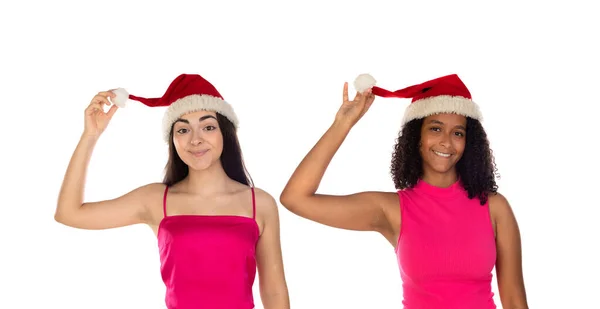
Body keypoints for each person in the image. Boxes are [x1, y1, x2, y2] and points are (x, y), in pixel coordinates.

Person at [279, 74, 528, 309]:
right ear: (415, 136)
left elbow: (515, 301)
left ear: (469, 142)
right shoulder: (392, 209)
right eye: (435, 128)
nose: (446, 142)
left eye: (458, 133)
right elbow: (295, 198)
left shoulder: (494, 207)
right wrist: (343, 123)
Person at [55, 73, 290, 309]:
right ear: (173, 140)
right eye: (183, 130)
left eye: (208, 127)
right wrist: (90, 135)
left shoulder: (260, 203)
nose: (195, 140)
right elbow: (69, 213)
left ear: (225, 134)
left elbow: (274, 293)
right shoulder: (155, 200)